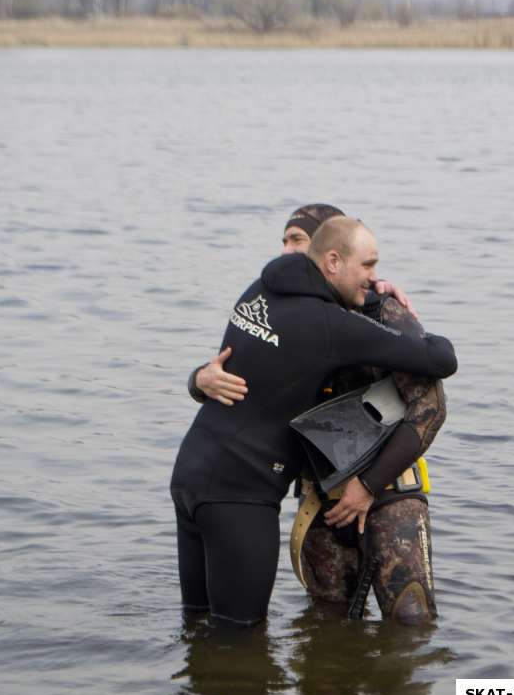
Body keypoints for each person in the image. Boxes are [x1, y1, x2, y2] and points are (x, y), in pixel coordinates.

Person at [171, 218, 457, 626]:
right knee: (241, 642)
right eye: (368, 266)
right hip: (241, 495)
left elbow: (252, 367)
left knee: (197, 627)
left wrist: (198, 378)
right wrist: (382, 303)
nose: (374, 278)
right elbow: (441, 359)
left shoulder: (260, 290)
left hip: (192, 473)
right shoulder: (329, 324)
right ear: (333, 261)